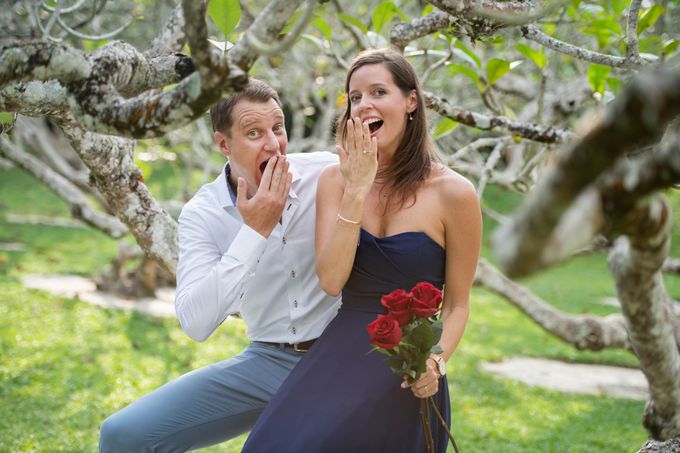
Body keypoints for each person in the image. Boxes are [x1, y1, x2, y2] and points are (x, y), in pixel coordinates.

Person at [242, 48, 482, 452]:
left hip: (407, 368)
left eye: (378, 91)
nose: (364, 104)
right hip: (341, 353)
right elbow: (332, 280)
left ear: (410, 102)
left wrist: (435, 361)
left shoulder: (454, 193)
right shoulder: (335, 181)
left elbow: (458, 305)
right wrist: (356, 188)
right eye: (355, 97)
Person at [98, 80, 341, 452]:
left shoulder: (327, 173)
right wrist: (255, 231)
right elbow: (195, 324)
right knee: (123, 435)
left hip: (343, 355)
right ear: (224, 144)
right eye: (254, 133)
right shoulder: (203, 212)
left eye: (278, 128)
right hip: (267, 359)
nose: (274, 144)